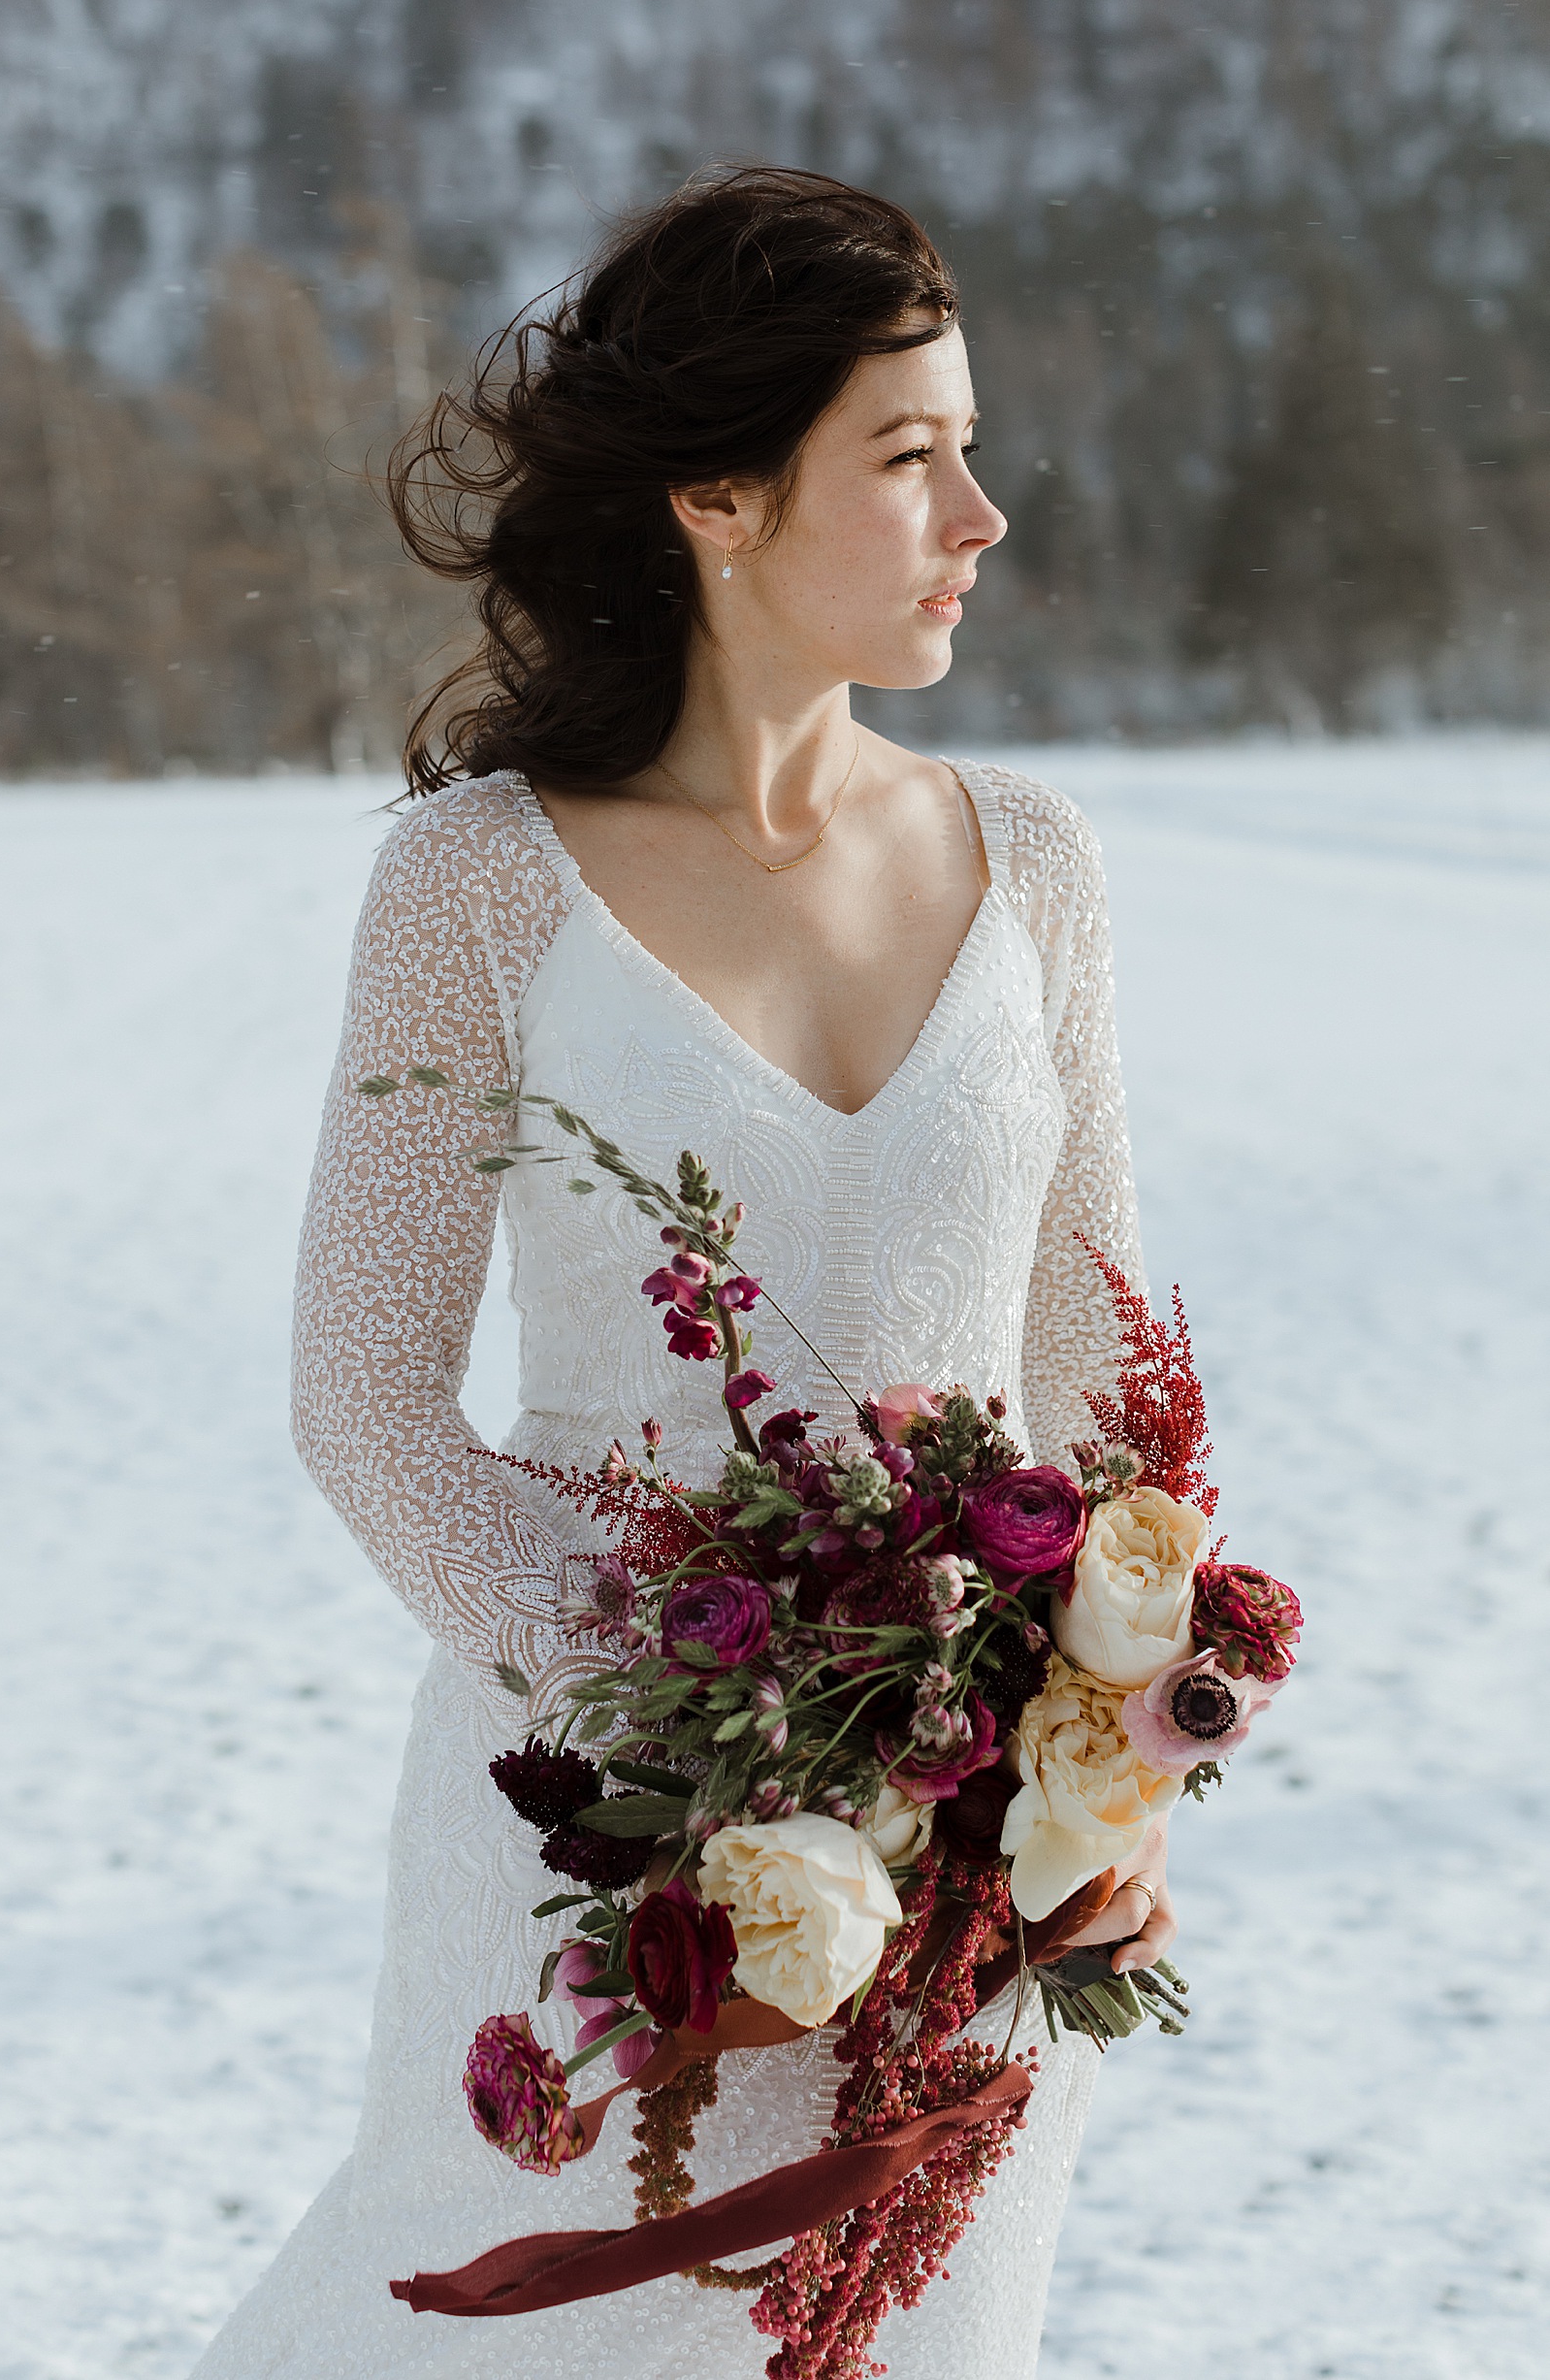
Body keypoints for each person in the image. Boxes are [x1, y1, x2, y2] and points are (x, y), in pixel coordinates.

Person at [191, 165, 1175, 2380]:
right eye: (909, 457)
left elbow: (1103, 1382)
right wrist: (694, 1735)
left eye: (970, 446)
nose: (981, 513)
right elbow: (363, 1395)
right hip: (585, 1869)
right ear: (718, 498)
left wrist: (1101, 1761)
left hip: (967, 1884)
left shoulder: (1034, 861)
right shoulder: (478, 887)